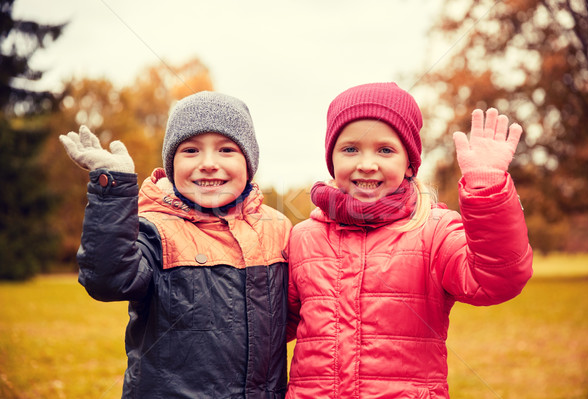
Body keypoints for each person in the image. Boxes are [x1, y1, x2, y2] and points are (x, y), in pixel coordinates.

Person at [285, 82, 533, 398]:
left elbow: (497, 279)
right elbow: (272, 326)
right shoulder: (304, 237)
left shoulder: (434, 232)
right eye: (350, 149)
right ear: (331, 158)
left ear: (409, 163)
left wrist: (486, 191)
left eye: (385, 150)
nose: (366, 163)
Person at [60, 91, 292, 398]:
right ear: (171, 164)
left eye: (226, 150)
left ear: (249, 162)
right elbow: (108, 279)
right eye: (191, 151)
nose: (209, 163)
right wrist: (113, 192)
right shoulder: (153, 228)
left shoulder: (277, 228)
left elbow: (304, 311)